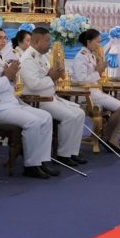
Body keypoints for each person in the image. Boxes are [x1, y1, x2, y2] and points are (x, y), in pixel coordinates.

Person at [0, 26, 56, 179]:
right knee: (33, 121)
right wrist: (7, 77)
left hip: (11, 103)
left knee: (46, 117)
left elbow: (9, 82)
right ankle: (31, 165)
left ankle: (42, 161)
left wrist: (12, 77)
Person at [19, 27, 87, 166]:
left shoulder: (42, 56)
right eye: (47, 40)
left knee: (79, 113)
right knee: (70, 117)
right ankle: (63, 154)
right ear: (37, 41)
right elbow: (33, 84)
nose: (49, 43)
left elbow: (48, 75)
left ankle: (72, 152)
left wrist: (56, 75)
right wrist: (52, 77)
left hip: (50, 97)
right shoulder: (27, 58)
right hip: (38, 100)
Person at [71, 29, 120, 152]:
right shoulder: (81, 57)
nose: (99, 45)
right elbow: (82, 80)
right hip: (87, 93)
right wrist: (98, 72)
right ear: (88, 42)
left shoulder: (91, 54)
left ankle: (109, 137)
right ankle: (109, 138)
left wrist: (99, 69)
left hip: (95, 91)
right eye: (97, 42)